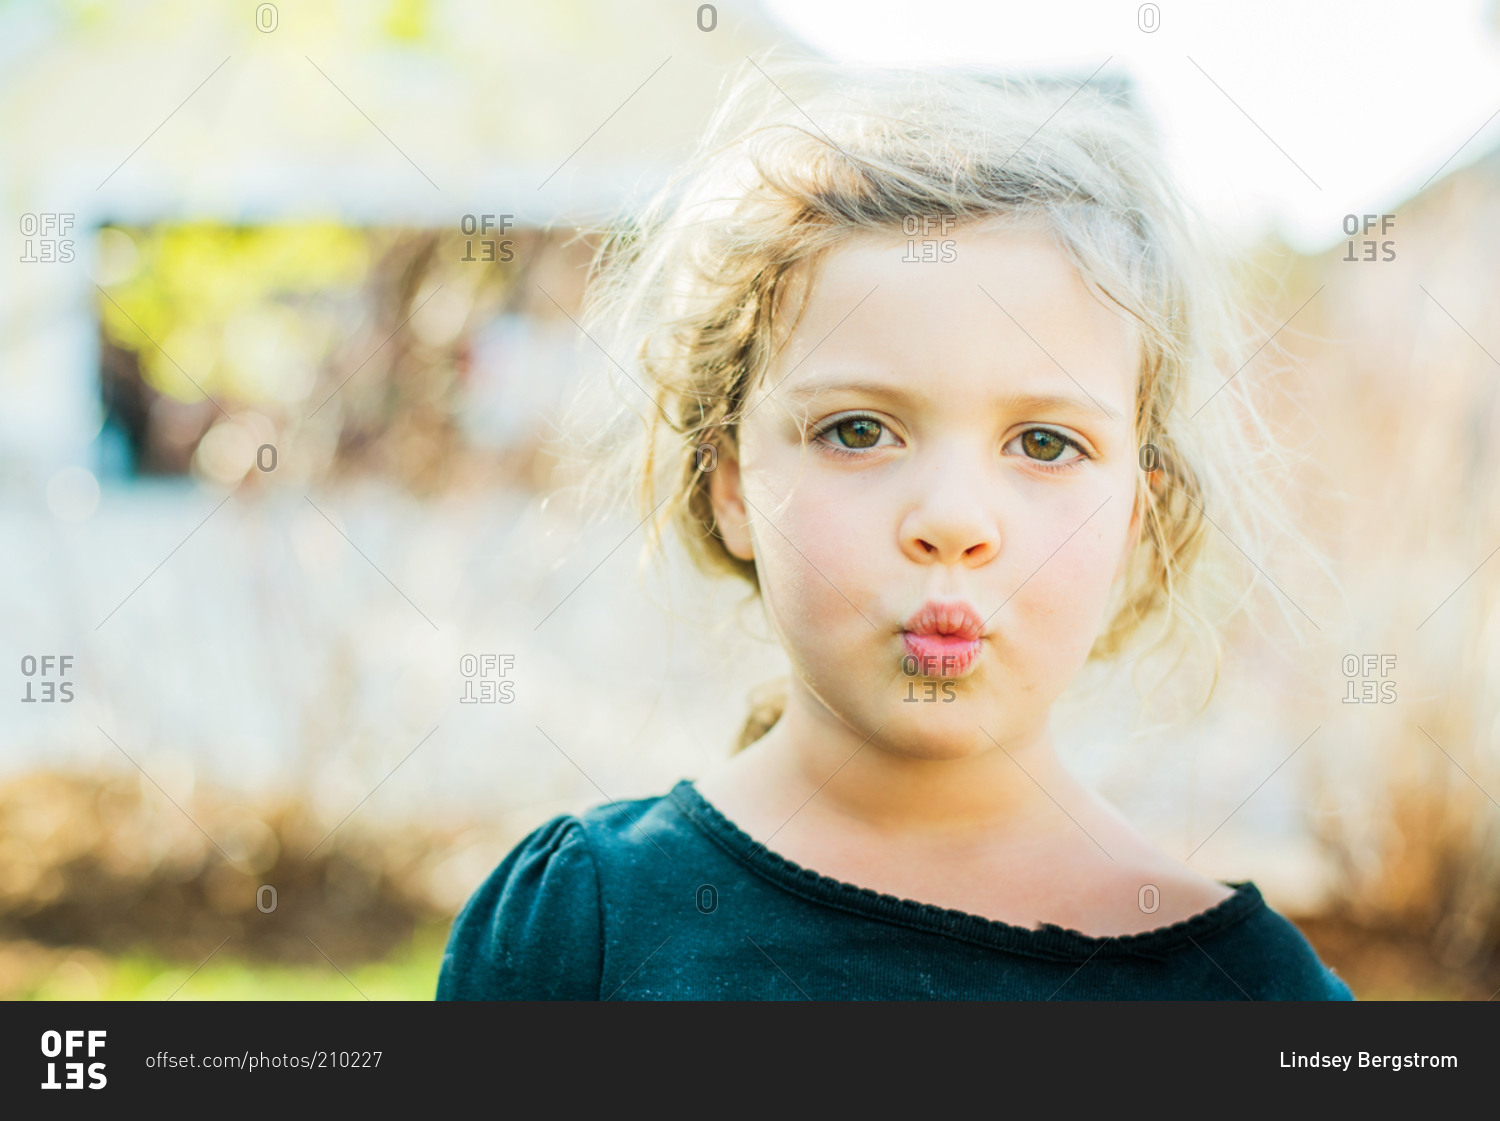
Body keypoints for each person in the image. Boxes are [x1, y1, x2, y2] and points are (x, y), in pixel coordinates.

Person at [438, 62, 1353, 1000]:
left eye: (1045, 442)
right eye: (859, 431)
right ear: (732, 486)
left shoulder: (1251, 994)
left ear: (1136, 514)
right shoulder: (578, 930)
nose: (953, 519)